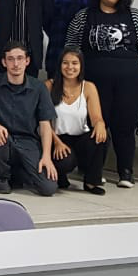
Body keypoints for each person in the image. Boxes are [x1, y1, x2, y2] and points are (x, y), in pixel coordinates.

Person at [65, 0, 138, 188]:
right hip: (94, 84)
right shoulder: (84, 16)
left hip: (131, 83)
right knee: (98, 124)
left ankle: (126, 172)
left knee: (124, 127)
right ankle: (95, 171)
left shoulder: (134, 16)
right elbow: (71, 48)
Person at [0, 41, 72, 196]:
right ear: (4, 62)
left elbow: (45, 124)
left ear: (27, 61)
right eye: (11, 59)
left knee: (48, 188)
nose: (15, 64)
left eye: (20, 58)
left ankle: (20, 174)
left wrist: (46, 156)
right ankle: (1, 178)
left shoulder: (38, 88)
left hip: (28, 142)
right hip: (2, 139)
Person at [44, 48, 108, 194]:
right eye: (65, 63)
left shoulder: (89, 87)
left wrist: (100, 124)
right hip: (56, 138)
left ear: (81, 66)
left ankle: (92, 181)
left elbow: (96, 117)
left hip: (80, 138)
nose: (70, 67)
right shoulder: (48, 86)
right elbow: (43, 121)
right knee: (64, 162)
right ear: (59, 65)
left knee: (102, 137)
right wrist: (56, 142)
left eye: (74, 63)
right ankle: (60, 175)